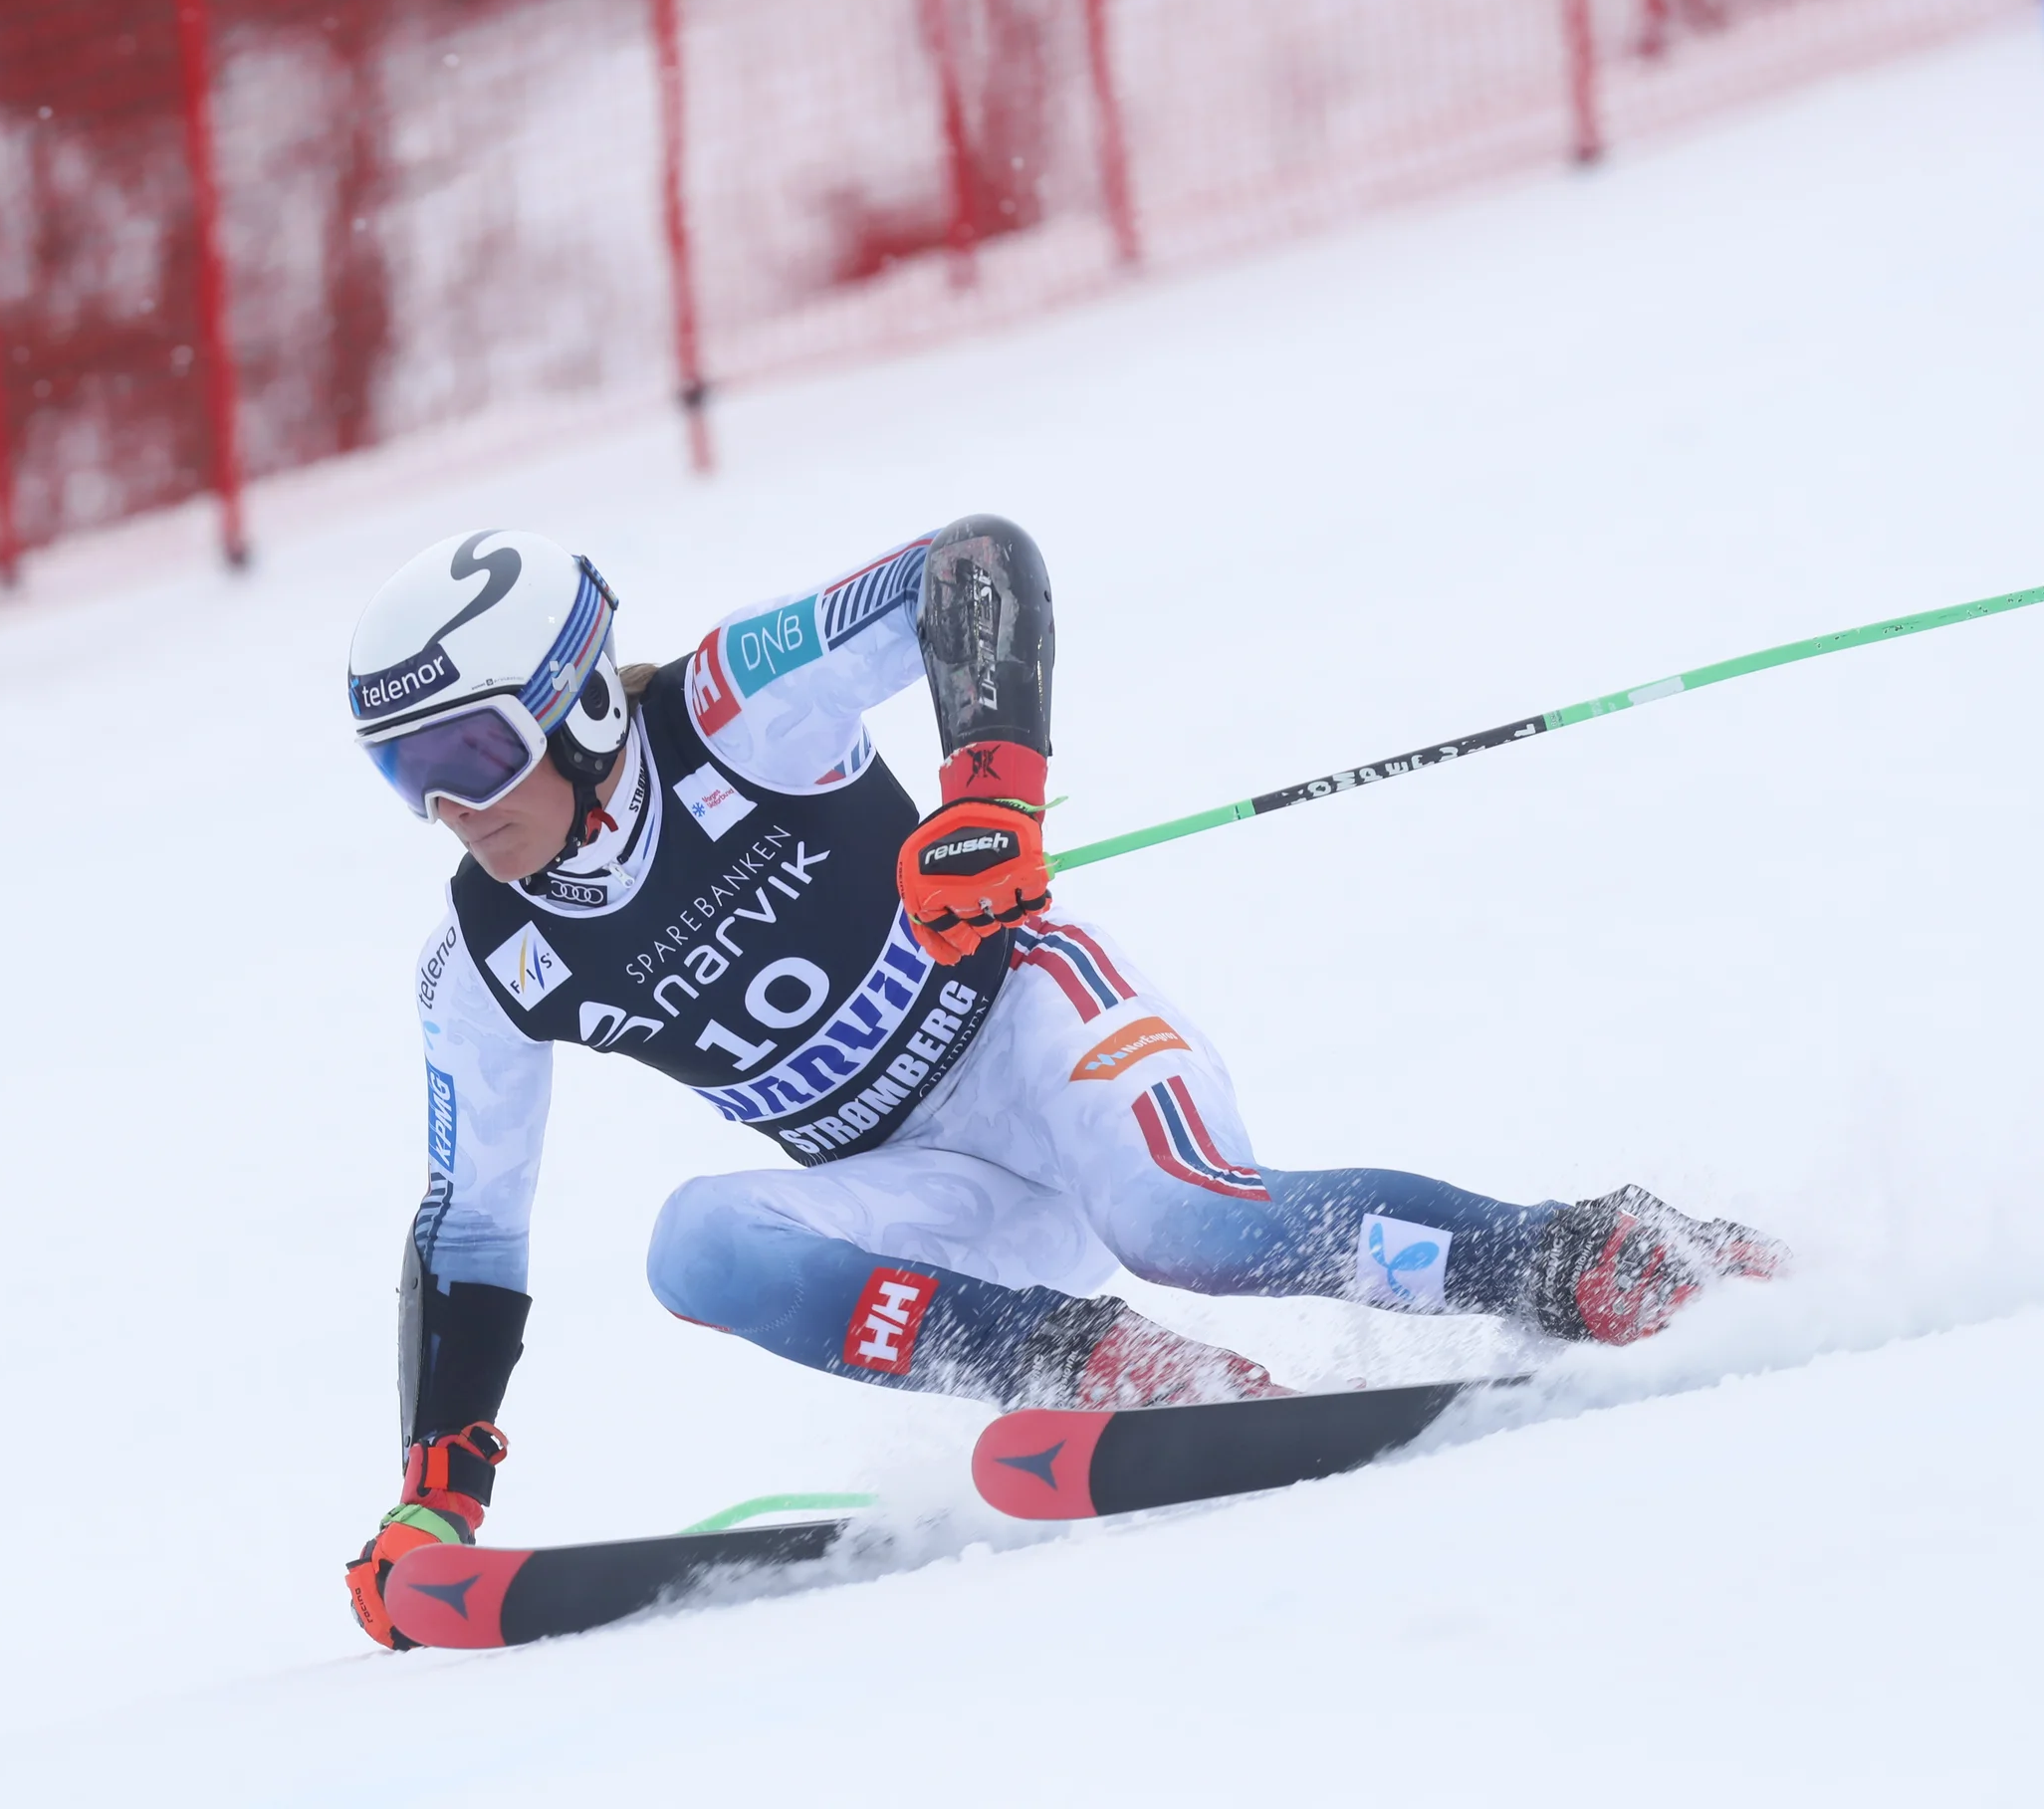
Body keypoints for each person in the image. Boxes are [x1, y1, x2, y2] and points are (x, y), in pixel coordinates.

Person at [340, 519, 1780, 1649]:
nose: (454, 810)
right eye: (409, 779)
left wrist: (990, 792)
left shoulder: (728, 710)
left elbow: (969, 564)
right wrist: (436, 1495)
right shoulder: (482, 960)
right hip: (932, 1191)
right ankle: (1098, 1367)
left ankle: (1593, 1259)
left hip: (1032, 1036)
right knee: (697, 1245)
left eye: (471, 751)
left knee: (1189, 1227)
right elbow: (469, 1233)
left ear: (580, 701)